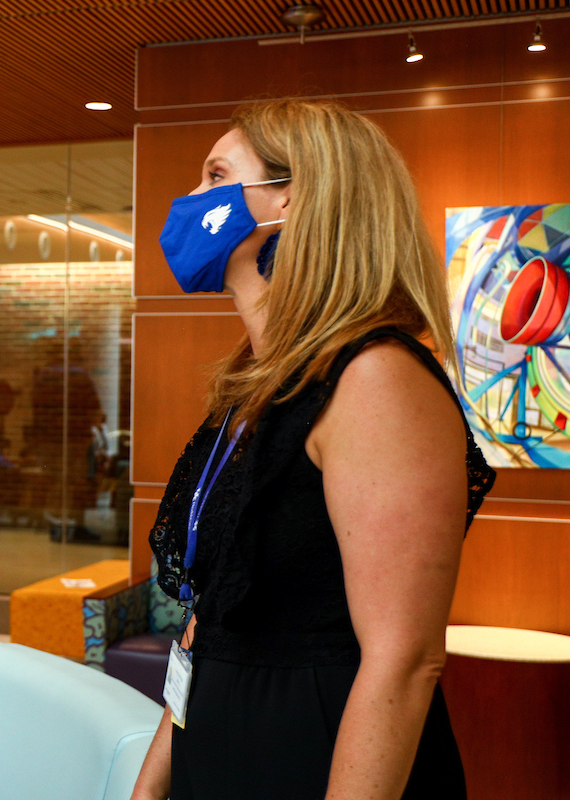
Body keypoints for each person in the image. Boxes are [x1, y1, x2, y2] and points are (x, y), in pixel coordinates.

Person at [131, 99, 495, 800]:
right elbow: (215, 615)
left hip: (318, 760)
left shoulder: (375, 378)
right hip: (218, 752)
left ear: (290, 202)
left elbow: (405, 658)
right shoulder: (256, 385)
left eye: (215, 175)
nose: (192, 200)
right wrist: (151, 785)